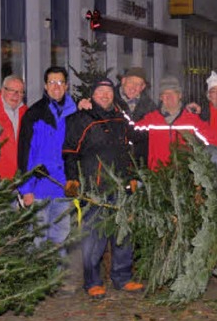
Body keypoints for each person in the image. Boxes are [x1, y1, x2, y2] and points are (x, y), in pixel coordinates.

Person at [62, 77, 143, 299]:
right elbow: (70, 151)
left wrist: (133, 176)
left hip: (121, 186)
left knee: (123, 233)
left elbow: (131, 148)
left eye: (108, 91)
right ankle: (92, 281)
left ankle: (122, 277)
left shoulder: (120, 118)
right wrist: (72, 179)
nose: (105, 95)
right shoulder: (81, 118)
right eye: (100, 91)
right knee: (93, 236)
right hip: (94, 188)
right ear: (92, 95)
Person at [17, 66, 77, 257]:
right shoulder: (34, 114)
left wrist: (74, 180)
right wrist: (26, 189)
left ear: (66, 86)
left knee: (60, 238)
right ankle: (37, 283)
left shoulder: (74, 114)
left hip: (63, 188)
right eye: (52, 82)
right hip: (39, 189)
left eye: (60, 82)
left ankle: (57, 282)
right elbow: (25, 153)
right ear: (45, 86)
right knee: (37, 239)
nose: (56, 86)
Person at [134, 75, 217, 171]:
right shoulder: (151, 119)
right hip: (158, 178)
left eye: (174, 93)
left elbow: (212, 139)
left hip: (183, 177)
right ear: (161, 97)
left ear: (180, 95)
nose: (169, 97)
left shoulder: (191, 119)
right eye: (165, 94)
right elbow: (131, 132)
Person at [114, 67, 157, 165]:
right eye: (131, 82)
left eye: (138, 84)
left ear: (143, 87)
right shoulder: (109, 100)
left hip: (140, 165)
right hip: (113, 164)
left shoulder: (150, 107)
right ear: (123, 81)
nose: (133, 87)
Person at [0, 75, 28, 179]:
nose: (16, 95)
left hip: (20, 177)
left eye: (20, 92)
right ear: (2, 90)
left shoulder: (27, 114)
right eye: (12, 90)